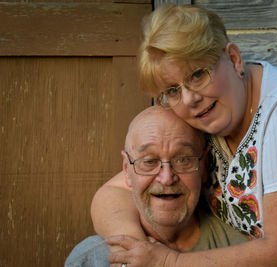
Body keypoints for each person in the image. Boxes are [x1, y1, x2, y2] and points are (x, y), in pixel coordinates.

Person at [92, 3, 277, 266]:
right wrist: (137, 253)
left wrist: (168, 262)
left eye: (198, 74)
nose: (188, 100)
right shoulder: (203, 121)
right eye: (172, 90)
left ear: (235, 58)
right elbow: (113, 193)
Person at [66, 106, 247, 266]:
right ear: (126, 170)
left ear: (205, 166)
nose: (167, 178)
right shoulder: (91, 259)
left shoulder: (240, 252)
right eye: (149, 161)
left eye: (183, 159)